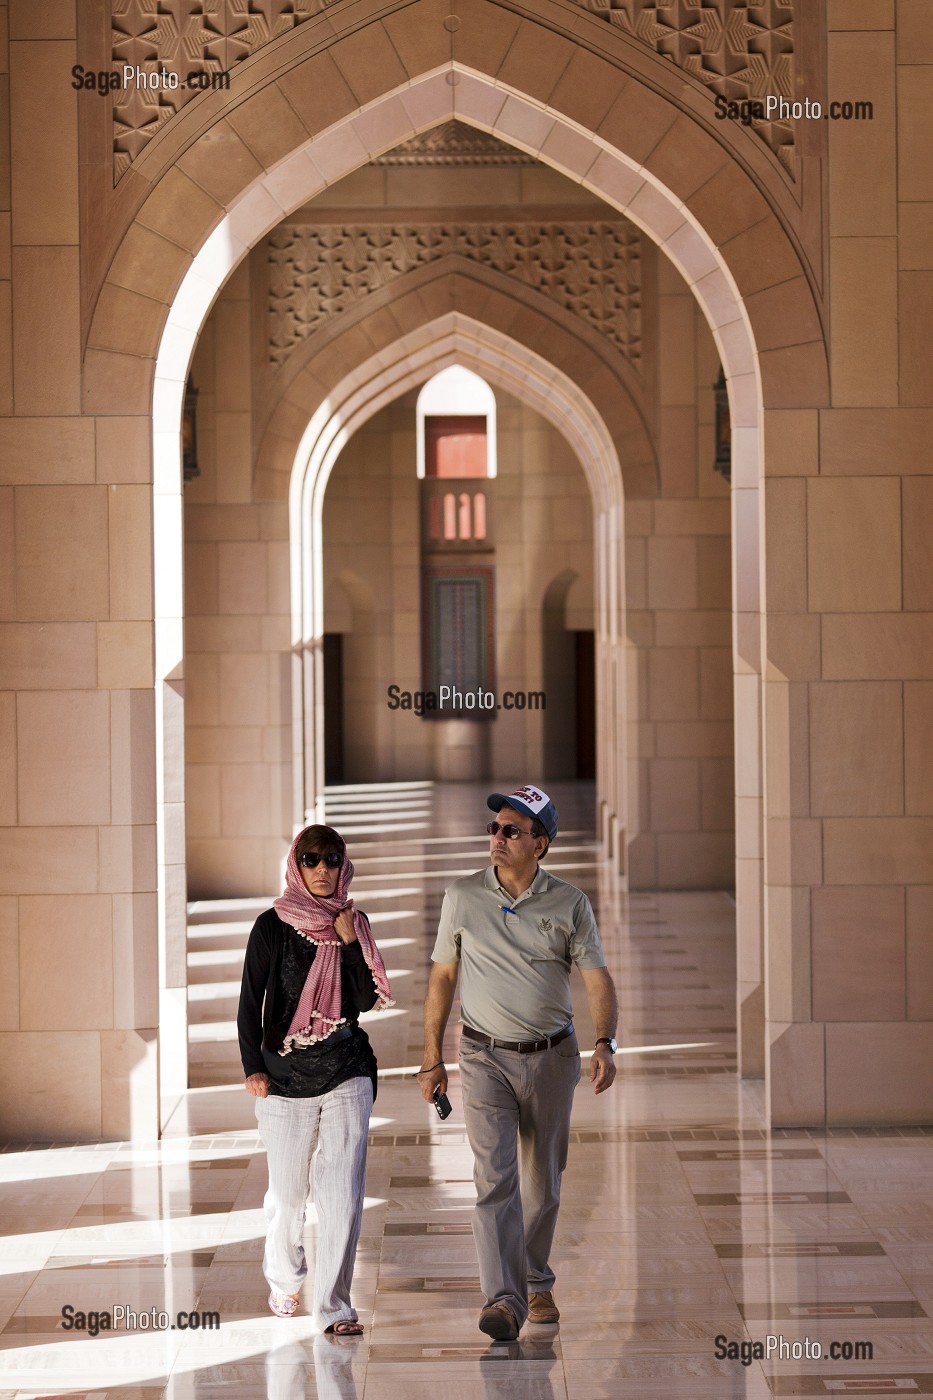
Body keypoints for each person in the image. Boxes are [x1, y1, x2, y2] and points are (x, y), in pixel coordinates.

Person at [419, 784, 618, 1341]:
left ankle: (535, 1277)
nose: (498, 839)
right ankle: (504, 1300)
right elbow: (441, 977)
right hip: (483, 1055)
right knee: (494, 1179)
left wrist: (605, 1043)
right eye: (494, 829)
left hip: (553, 1057)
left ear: (541, 844)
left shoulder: (570, 903)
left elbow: (596, 978)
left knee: (543, 1182)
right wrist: (431, 1057)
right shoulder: (461, 897)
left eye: (512, 831)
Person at [238, 824, 393, 1331]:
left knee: (341, 1191)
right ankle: (285, 1278)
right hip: (283, 1074)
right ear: (295, 865)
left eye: (331, 860)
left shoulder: (354, 923)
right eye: (311, 860)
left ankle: (335, 1307)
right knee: (287, 1197)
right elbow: (249, 1002)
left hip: (347, 1066)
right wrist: (253, 1066)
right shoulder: (271, 925)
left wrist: (349, 944)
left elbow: (364, 1000)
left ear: (343, 865)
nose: (322, 870)